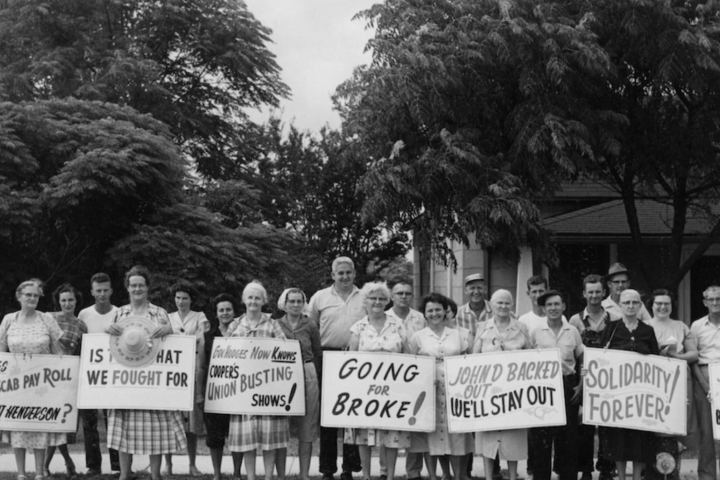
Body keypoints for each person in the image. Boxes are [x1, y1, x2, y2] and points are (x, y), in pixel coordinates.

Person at [106, 266, 187, 480]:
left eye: (141, 285)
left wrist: (169, 330)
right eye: (133, 285)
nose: (137, 288)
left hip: (153, 381)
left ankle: (155, 475)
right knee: (124, 427)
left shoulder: (159, 313)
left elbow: (177, 339)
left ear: (147, 287)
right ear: (127, 288)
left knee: (155, 429)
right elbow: (109, 347)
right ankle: (124, 475)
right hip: (126, 381)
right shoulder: (120, 313)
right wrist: (109, 330)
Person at [0, 279, 66, 480]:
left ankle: (39, 473)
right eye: (28, 294)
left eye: (36, 295)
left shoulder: (46, 319)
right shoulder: (9, 319)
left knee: (40, 424)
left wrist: (62, 373)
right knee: (17, 424)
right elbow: (2, 353)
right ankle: (20, 473)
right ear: (19, 296)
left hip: (43, 384)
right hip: (16, 384)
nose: (32, 298)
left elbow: (59, 352)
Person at [344, 282, 410, 480]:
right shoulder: (358, 328)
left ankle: (388, 476)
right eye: (373, 298)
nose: (377, 302)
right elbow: (350, 359)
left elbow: (408, 355)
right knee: (364, 435)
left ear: (387, 301)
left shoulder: (397, 324)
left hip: (393, 389)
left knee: (391, 435)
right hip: (365, 390)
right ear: (365, 301)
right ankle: (366, 475)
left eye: (382, 298)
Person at [307, 257, 364, 480]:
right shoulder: (319, 297)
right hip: (327, 357)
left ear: (354, 273)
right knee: (328, 415)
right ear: (333, 275)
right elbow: (311, 328)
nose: (344, 277)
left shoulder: (365, 297)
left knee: (352, 412)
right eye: (340, 273)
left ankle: (349, 467)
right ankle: (328, 469)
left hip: (355, 359)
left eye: (348, 272)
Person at [407, 293, 473, 480]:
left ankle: (458, 475)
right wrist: (424, 379)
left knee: (456, 433)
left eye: (438, 309)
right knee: (432, 433)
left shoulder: (458, 335)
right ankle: (434, 476)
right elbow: (412, 365)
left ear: (445, 311)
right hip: (429, 392)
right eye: (430, 310)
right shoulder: (417, 337)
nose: (435, 313)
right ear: (424, 313)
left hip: (455, 390)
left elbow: (467, 360)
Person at [227, 281, 288, 480]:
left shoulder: (273, 325)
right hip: (242, 390)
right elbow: (225, 355)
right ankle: (251, 477)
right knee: (247, 439)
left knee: (269, 438)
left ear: (264, 301)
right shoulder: (235, 325)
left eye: (257, 298)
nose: (253, 301)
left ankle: (268, 477)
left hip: (267, 389)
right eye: (250, 297)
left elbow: (284, 353)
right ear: (244, 300)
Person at [599, 289, 659, 480]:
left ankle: (637, 477)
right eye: (627, 303)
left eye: (635, 303)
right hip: (619, 395)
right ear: (621, 305)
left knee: (640, 439)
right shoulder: (612, 328)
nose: (631, 306)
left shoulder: (647, 330)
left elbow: (656, 360)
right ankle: (622, 477)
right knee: (619, 439)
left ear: (640, 306)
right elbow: (601, 358)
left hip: (641, 395)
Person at [472, 290, 530, 480]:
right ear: (492, 305)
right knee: (489, 436)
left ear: (512, 305)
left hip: (514, 392)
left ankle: (513, 476)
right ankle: (489, 477)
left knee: (513, 436)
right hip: (489, 392)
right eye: (499, 303)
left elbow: (532, 358)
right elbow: (474, 358)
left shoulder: (521, 327)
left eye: (507, 303)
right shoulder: (483, 327)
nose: (503, 307)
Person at [529, 290, 583, 480]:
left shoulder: (572, 331)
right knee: (542, 439)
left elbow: (582, 359)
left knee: (568, 438)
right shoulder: (535, 331)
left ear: (563, 307)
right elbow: (526, 360)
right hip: (542, 388)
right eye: (549, 305)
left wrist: (581, 385)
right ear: (543, 309)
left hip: (568, 384)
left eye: (556, 304)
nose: (553, 308)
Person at [568, 274, 618, 480]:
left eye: (598, 291)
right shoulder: (575, 320)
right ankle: (586, 469)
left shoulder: (614, 319)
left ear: (604, 293)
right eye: (590, 292)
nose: (594, 295)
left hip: (608, 379)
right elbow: (575, 356)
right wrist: (581, 383)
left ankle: (606, 468)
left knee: (607, 425)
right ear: (584, 294)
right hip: (584, 377)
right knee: (584, 427)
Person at [645, 289, 697, 480]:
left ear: (672, 305)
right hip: (652, 382)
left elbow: (693, 353)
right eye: (658, 303)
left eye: (666, 303)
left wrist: (678, 356)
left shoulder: (680, 326)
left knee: (672, 428)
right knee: (654, 426)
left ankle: (671, 471)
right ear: (651, 305)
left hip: (677, 381)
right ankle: (652, 472)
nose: (662, 306)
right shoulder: (644, 326)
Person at [276, 288, 322, 480]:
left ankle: (304, 474)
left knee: (307, 425)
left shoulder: (310, 324)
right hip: (282, 374)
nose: (295, 305)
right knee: (280, 425)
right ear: (284, 304)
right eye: (291, 301)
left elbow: (317, 352)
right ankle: (280, 474)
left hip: (307, 370)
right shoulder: (276, 324)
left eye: (299, 301)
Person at [164, 282, 210, 477]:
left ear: (191, 299)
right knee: (168, 423)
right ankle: (168, 464)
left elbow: (201, 339)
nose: (181, 301)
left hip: (191, 372)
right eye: (177, 298)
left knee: (191, 425)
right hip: (171, 374)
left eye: (184, 298)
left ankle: (192, 463)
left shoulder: (200, 317)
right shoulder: (167, 317)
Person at [78, 272, 120, 475]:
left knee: (114, 421)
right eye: (98, 291)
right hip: (90, 376)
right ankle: (93, 466)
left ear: (111, 291)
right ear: (92, 292)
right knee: (89, 423)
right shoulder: (84, 314)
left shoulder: (120, 313)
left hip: (114, 376)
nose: (102, 294)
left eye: (105, 290)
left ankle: (117, 465)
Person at [383, 275, 425, 480]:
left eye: (408, 293)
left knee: (414, 423)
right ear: (391, 295)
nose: (404, 296)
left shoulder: (420, 318)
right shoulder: (384, 316)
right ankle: (385, 471)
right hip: (390, 379)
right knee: (387, 425)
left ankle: (414, 471)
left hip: (415, 377)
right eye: (399, 293)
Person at [44, 283, 88, 477]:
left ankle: (59, 463)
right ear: (58, 301)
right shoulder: (48, 318)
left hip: (69, 378)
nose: (67, 303)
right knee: (53, 423)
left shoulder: (81, 325)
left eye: (70, 300)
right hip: (47, 378)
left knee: (62, 424)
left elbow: (86, 351)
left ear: (76, 301)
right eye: (63, 300)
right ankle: (58, 463)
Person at [203, 294, 243, 480]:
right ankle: (217, 474)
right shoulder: (208, 336)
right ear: (216, 313)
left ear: (234, 312)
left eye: (228, 309)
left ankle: (236, 473)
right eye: (221, 310)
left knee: (237, 435)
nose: (225, 313)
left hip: (239, 393)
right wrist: (199, 395)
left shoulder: (242, 334)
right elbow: (201, 367)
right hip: (215, 394)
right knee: (215, 437)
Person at [689, 285, 720, 480]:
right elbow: (693, 359)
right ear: (705, 302)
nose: (716, 303)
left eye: (719, 299)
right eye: (712, 300)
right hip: (705, 374)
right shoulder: (697, 326)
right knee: (707, 429)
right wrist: (705, 385)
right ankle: (707, 475)